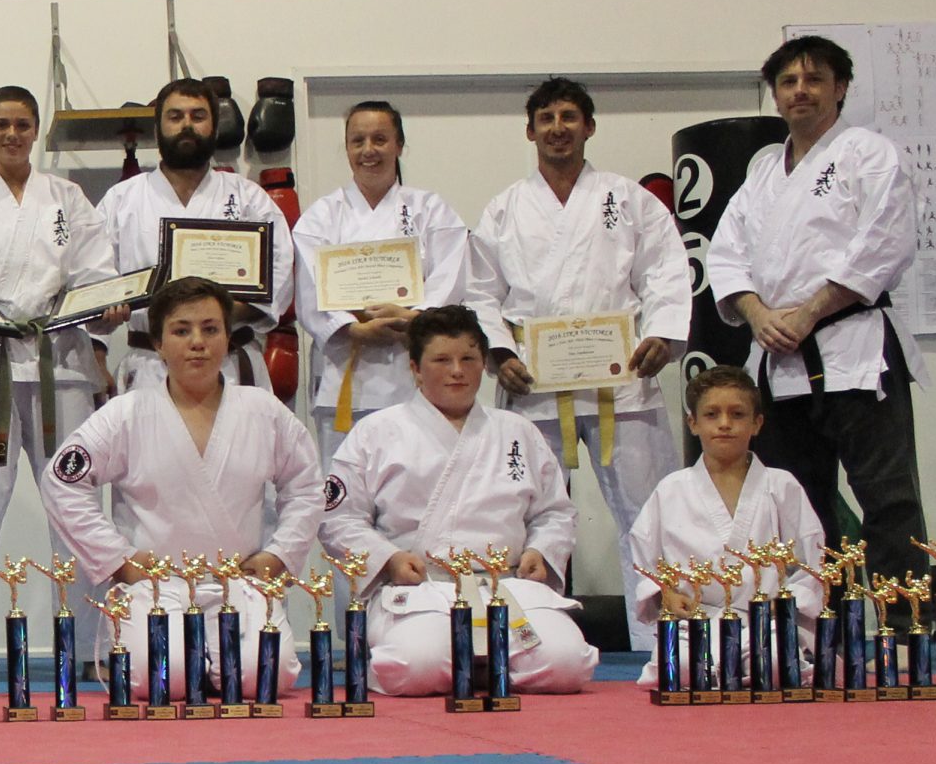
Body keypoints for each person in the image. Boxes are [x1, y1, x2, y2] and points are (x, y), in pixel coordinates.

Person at [474, 77, 689, 655]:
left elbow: (667, 272)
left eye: (569, 117)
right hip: (534, 383)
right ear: (529, 131)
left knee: (648, 510)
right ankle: (536, 643)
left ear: (589, 126)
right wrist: (499, 352)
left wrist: (662, 334)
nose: (558, 128)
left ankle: (658, 642)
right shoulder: (504, 209)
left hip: (623, 381)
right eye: (546, 118)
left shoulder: (629, 200)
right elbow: (480, 291)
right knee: (527, 517)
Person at [706, 34, 927, 578]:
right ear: (776, 95)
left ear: (840, 87)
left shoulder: (868, 153)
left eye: (814, 79)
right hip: (780, 359)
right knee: (795, 502)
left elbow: (884, 244)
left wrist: (808, 313)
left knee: (887, 496)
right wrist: (758, 314)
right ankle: (815, 618)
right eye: (788, 82)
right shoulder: (763, 171)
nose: (799, 91)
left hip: (854, 350)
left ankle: (904, 618)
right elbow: (726, 253)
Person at [39, 276, 321, 698]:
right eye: (181, 331)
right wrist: (117, 559)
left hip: (237, 583)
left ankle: (212, 662)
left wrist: (278, 556)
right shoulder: (126, 414)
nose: (197, 343)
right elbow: (62, 482)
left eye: (211, 329)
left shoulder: (263, 411)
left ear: (227, 338)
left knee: (263, 677)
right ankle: (199, 661)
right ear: (158, 343)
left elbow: (307, 486)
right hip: (156, 585)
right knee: (163, 678)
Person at [0, 85, 114, 678]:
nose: (12, 134)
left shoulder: (68, 198)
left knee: (75, 503)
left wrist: (107, 307)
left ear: (35, 131)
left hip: (62, 362)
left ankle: (88, 647)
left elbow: (96, 273)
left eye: (23, 124)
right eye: (2, 124)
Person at [318, 304, 597, 695]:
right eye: (441, 360)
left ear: (483, 364)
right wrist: (389, 559)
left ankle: (478, 664)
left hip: (505, 587)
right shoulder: (376, 432)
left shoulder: (518, 431)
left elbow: (554, 512)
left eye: (468, 359)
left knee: (567, 665)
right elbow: (339, 518)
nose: (457, 371)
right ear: (415, 369)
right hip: (420, 590)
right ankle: (481, 664)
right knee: (416, 667)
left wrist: (541, 551)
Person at [292, 101, 481, 457]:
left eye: (380, 139)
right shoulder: (321, 217)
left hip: (416, 374)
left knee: (423, 475)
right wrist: (352, 328)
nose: (368, 150)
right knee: (345, 480)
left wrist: (415, 317)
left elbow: (451, 277)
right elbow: (308, 293)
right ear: (347, 148)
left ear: (399, 145)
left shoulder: (431, 210)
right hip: (345, 373)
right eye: (357, 141)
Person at [625, 365, 827, 684]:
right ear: (693, 423)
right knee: (684, 668)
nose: (724, 424)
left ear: (757, 423)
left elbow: (810, 561)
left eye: (737, 414)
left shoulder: (781, 485)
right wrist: (665, 594)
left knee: (775, 664)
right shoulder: (671, 489)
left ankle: (744, 670)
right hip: (695, 620)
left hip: (765, 620)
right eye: (711, 414)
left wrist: (787, 606)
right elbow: (644, 559)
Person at [94, 78, 296, 391]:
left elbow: (277, 275)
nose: (186, 125)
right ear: (158, 129)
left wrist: (213, 316)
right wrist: (104, 322)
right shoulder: (121, 200)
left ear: (214, 127)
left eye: (198, 116)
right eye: (175, 116)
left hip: (230, 364)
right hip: (151, 367)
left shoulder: (250, 199)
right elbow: (95, 275)